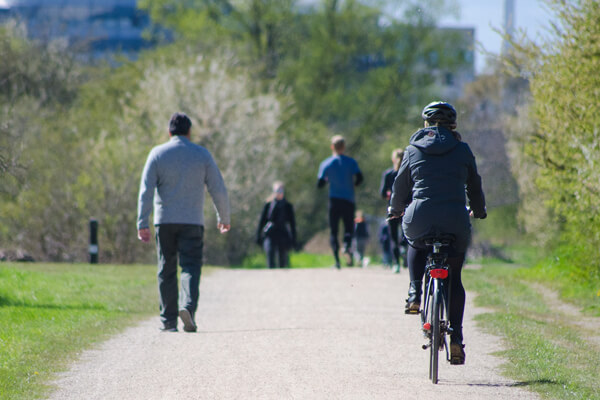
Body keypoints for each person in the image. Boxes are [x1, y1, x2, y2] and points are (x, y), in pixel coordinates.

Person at [388, 101, 486, 365]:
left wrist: (395, 210)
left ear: (426, 124)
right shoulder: (463, 149)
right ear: (453, 125)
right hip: (455, 219)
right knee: (455, 277)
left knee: (416, 241)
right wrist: (479, 210)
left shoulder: (412, 149)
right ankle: (456, 337)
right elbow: (474, 185)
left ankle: (414, 291)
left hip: (420, 216)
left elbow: (399, 187)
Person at [137, 112, 231, 333]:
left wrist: (142, 222)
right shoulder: (202, 155)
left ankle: (168, 321)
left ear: (169, 132)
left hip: (165, 221)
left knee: (166, 268)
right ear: (189, 132)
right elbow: (218, 188)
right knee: (190, 266)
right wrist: (224, 217)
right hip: (192, 221)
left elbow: (146, 191)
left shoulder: (157, 154)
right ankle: (187, 307)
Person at [317, 135, 363, 269]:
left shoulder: (326, 164)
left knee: (334, 231)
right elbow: (360, 178)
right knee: (349, 227)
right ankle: (347, 244)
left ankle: (337, 261)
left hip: (334, 200)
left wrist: (327, 180)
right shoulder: (351, 162)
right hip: (348, 199)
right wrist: (352, 184)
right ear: (343, 147)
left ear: (332, 147)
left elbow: (319, 184)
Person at [256, 181, 297, 268]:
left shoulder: (287, 206)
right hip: (270, 233)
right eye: (277, 191)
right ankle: (271, 277)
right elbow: (262, 221)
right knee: (270, 254)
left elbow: (292, 224)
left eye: (280, 191)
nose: (278, 193)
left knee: (282, 258)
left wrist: (293, 238)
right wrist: (258, 235)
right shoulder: (268, 205)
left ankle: (280, 278)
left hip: (282, 234)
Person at [380, 149, 407, 273]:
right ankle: (404, 249)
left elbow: (382, 193)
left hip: (392, 209)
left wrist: (388, 193)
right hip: (406, 208)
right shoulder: (408, 173)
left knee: (393, 238)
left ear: (393, 159)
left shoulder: (388, 174)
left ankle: (396, 263)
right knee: (406, 233)